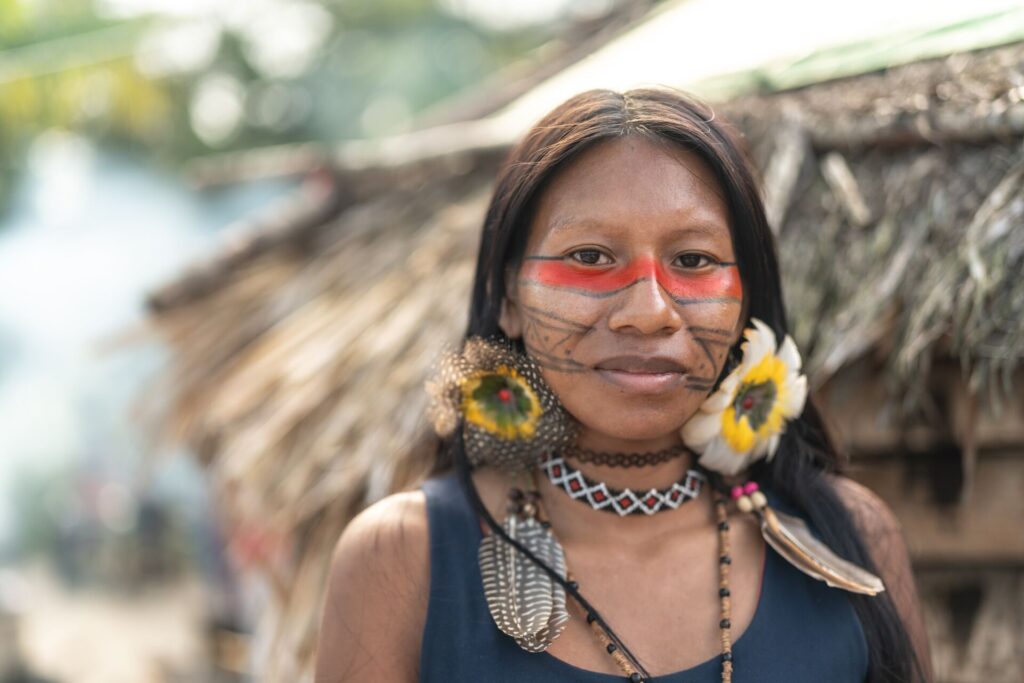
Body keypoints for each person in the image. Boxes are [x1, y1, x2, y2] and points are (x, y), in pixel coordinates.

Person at [313, 88, 933, 682]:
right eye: (589, 257)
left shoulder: (851, 536)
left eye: (693, 261)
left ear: (748, 300)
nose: (649, 311)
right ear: (508, 297)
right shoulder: (401, 558)